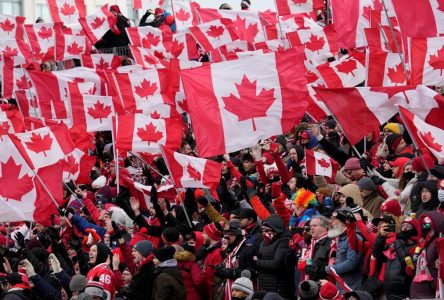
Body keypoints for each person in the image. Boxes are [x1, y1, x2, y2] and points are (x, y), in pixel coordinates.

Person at [256, 214, 293, 299]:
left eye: (266, 230)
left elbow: (276, 264)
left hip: (279, 287)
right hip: (265, 284)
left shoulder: (284, 241)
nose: (264, 233)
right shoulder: (263, 242)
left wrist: (256, 262)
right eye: (262, 230)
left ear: (276, 230)